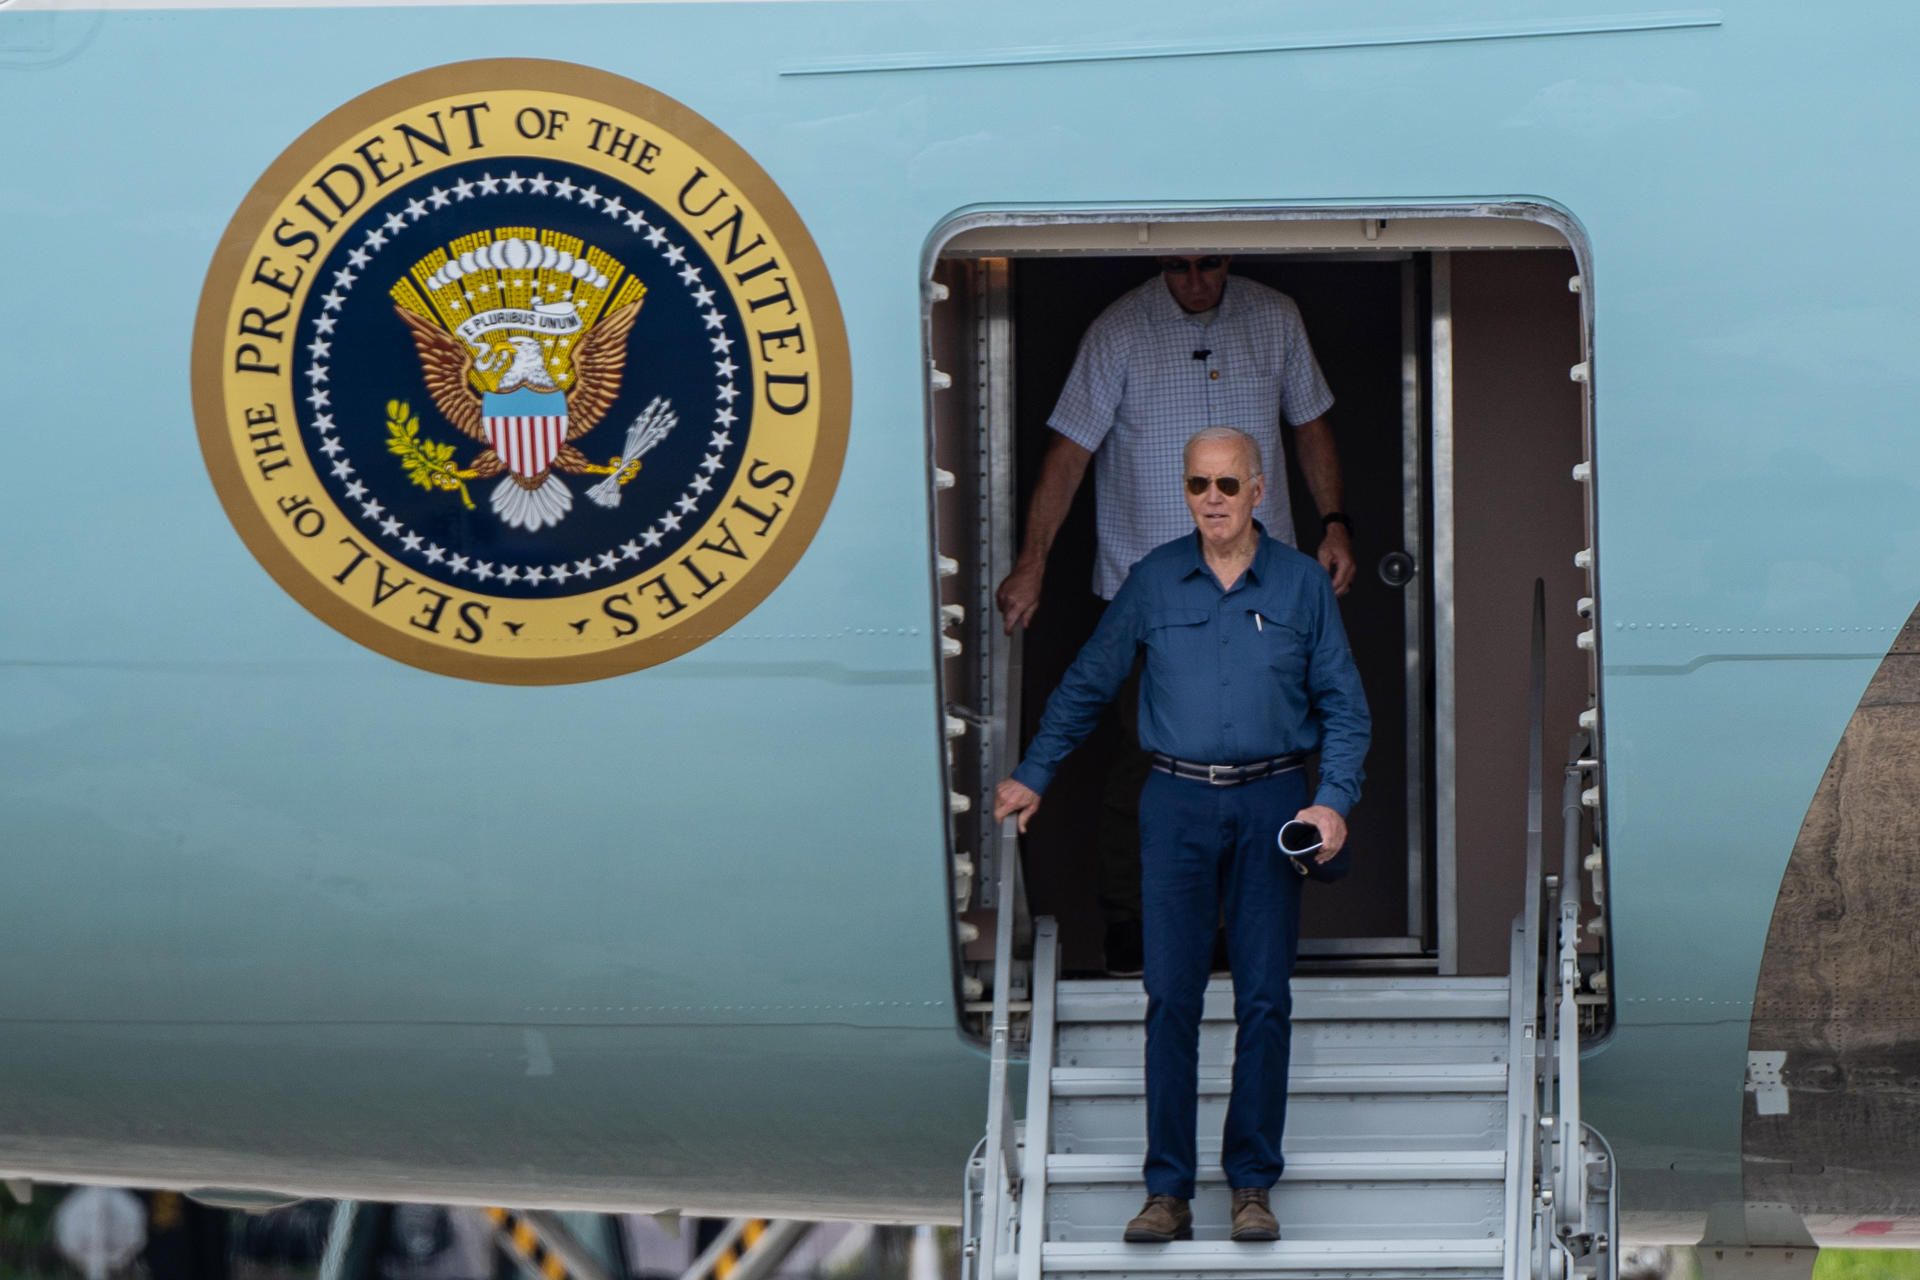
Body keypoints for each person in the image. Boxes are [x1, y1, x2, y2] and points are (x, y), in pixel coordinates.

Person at [993, 427, 1369, 1245]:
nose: (1212, 500)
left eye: (1228, 486)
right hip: (1175, 805)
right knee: (1171, 999)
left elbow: (1345, 707)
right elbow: (1089, 680)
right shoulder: (1155, 580)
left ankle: (1251, 1186)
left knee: (1265, 999)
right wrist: (1036, 773)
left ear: (1260, 491)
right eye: (1198, 484)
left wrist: (1332, 802)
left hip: (1274, 803)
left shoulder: (1303, 586)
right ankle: (1167, 1190)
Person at [996, 256, 1354, 974]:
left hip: (1262, 582)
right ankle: (1135, 926)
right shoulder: (1119, 329)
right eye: (1180, 268)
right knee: (1149, 760)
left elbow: (1311, 427)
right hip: (1149, 582)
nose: (1195, 281)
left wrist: (1336, 523)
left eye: (1208, 266)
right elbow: (1068, 455)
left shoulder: (1275, 314)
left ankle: (1239, 930)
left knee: (1262, 753)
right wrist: (1032, 561)